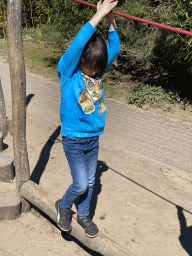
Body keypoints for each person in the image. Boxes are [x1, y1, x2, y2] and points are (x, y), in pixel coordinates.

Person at [55, 0, 120, 238]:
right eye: (91, 67)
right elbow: (77, 44)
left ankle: (84, 215)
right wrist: (98, 16)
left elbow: (113, 49)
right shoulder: (68, 73)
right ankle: (63, 206)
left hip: (93, 139)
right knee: (81, 184)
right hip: (73, 138)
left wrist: (111, 19)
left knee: (91, 182)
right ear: (81, 61)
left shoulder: (99, 71)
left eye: (98, 68)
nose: (95, 72)